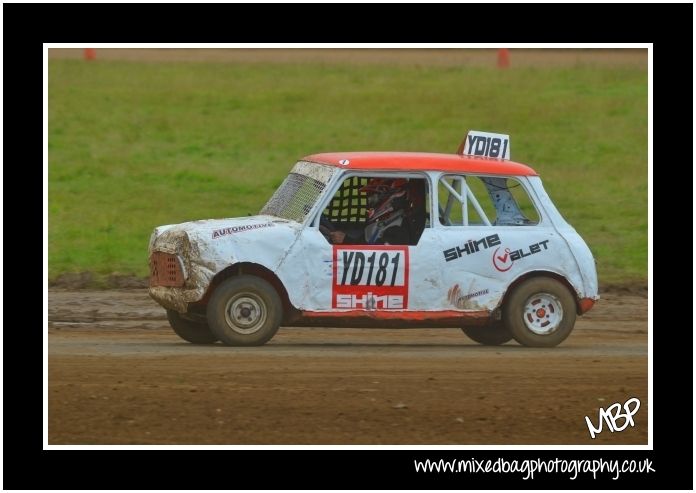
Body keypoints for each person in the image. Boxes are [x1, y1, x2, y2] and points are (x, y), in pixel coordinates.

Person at [322, 178, 418, 245]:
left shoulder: (398, 228)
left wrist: (347, 240)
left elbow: (378, 251)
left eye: (374, 196)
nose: (370, 200)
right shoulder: (387, 219)